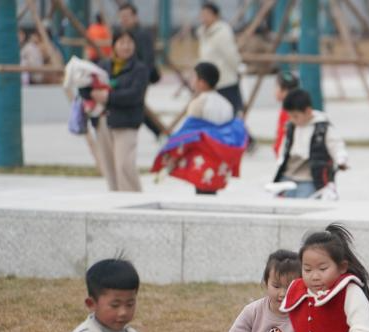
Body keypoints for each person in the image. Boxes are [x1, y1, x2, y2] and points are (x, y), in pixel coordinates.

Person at [152, 61, 249, 195]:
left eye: (194, 77)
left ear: (202, 82)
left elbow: (187, 134)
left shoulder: (198, 104)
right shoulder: (227, 104)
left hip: (203, 159)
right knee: (212, 193)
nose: (192, 80)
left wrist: (171, 153)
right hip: (220, 158)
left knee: (202, 193)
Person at [89, 30, 149, 192]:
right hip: (104, 121)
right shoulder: (104, 66)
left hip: (126, 122)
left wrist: (108, 97)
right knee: (109, 167)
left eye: (129, 42)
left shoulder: (140, 69)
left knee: (124, 165)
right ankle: (116, 200)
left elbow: (135, 95)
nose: (126, 46)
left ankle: (134, 201)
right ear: (114, 45)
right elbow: (89, 87)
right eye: (121, 42)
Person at [273, 88, 348, 199]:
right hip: (288, 175)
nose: (292, 119)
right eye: (290, 116)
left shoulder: (322, 128)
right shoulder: (291, 127)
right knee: (283, 202)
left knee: (304, 201)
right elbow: (285, 147)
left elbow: (336, 144)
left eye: (295, 116)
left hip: (310, 177)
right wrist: (280, 159)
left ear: (308, 111)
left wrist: (341, 159)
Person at [117, 3, 162, 137]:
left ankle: (159, 132)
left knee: (137, 106)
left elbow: (148, 59)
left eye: (126, 16)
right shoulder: (122, 33)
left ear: (135, 17)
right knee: (137, 107)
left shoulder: (142, 34)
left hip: (139, 77)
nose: (123, 19)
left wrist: (142, 79)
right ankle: (159, 132)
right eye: (121, 17)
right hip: (127, 76)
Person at [197, 2, 243, 113]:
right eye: (202, 15)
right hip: (208, 81)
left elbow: (231, 55)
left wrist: (237, 70)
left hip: (224, 81)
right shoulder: (203, 32)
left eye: (207, 14)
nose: (204, 18)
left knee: (230, 112)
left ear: (215, 16)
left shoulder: (222, 32)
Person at [273, 71, 299, 157]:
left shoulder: (288, 112)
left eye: (276, 87)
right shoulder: (292, 108)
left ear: (285, 91)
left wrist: (277, 150)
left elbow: (282, 136)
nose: (274, 91)